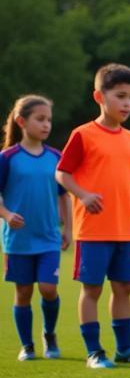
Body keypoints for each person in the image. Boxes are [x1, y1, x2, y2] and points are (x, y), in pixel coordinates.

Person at [56, 64, 130, 370]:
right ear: (99, 96)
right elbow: (61, 173)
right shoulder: (83, 135)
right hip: (93, 230)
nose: (127, 103)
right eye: (120, 96)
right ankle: (95, 352)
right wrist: (83, 195)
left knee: (125, 287)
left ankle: (125, 349)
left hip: (125, 230)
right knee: (92, 289)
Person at [0, 95, 72, 361]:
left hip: (48, 237)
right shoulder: (7, 157)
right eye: (40, 119)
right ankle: (27, 345)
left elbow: (64, 195)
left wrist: (68, 229)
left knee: (48, 288)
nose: (46, 125)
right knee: (23, 292)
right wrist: (7, 215)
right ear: (21, 121)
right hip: (17, 239)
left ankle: (49, 335)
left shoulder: (55, 157)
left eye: (49, 120)